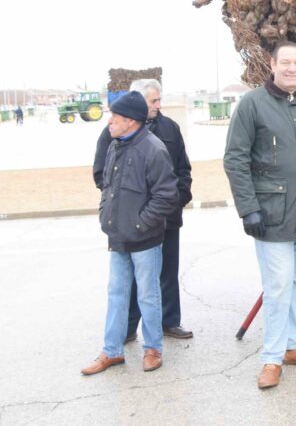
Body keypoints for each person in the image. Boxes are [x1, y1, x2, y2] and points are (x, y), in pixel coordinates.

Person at [224, 42, 296, 390]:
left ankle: (292, 346)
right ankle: (271, 359)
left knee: (293, 282)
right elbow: (235, 160)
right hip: (271, 212)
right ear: (272, 65)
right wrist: (248, 209)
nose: (292, 68)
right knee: (277, 287)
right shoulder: (252, 105)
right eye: (285, 62)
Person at [81, 92, 178, 376]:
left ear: (132, 121)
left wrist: (140, 224)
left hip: (144, 238)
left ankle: (153, 349)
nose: (110, 121)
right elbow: (107, 186)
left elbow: (165, 195)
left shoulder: (153, 149)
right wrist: (106, 217)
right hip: (118, 236)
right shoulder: (114, 145)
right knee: (116, 293)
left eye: (116, 117)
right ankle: (111, 352)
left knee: (148, 294)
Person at [93, 79, 194, 344]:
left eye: (159, 100)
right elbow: (102, 175)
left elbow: (182, 170)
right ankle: (127, 328)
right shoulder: (113, 132)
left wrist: (177, 200)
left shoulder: (169, 128)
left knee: (168, 272)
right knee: (131, 281)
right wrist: (115, 210)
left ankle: (169, 321)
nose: (158, 105)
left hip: (166, 216)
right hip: (131, 222)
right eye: (153, 101)